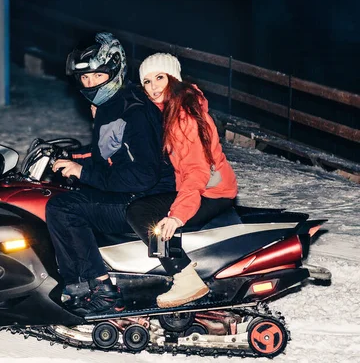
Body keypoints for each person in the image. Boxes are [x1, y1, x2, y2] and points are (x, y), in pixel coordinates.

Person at [46, 33, 175, 316]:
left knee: (63, 209)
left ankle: (99, 289)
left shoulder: (134, 110)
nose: (90, 84)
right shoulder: (111, 105)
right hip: (134, 192)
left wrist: (85, 172)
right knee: (69, 196)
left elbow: (142, 174)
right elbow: (110, 151)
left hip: (146, 198)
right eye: (85, 78)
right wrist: (72, 158)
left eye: (97, 75)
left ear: (115, 71)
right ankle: (78, 284)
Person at [127, 53, 238, 308]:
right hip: (203, 185)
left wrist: (177, 215)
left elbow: (197, 171)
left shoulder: (185, 117)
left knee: (141, 212)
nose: (153, 87)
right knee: (144, 200)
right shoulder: (169, 109)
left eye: (159, 78)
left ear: (173, 79)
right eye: (146, 81)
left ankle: (183, 275)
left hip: (214, 192)